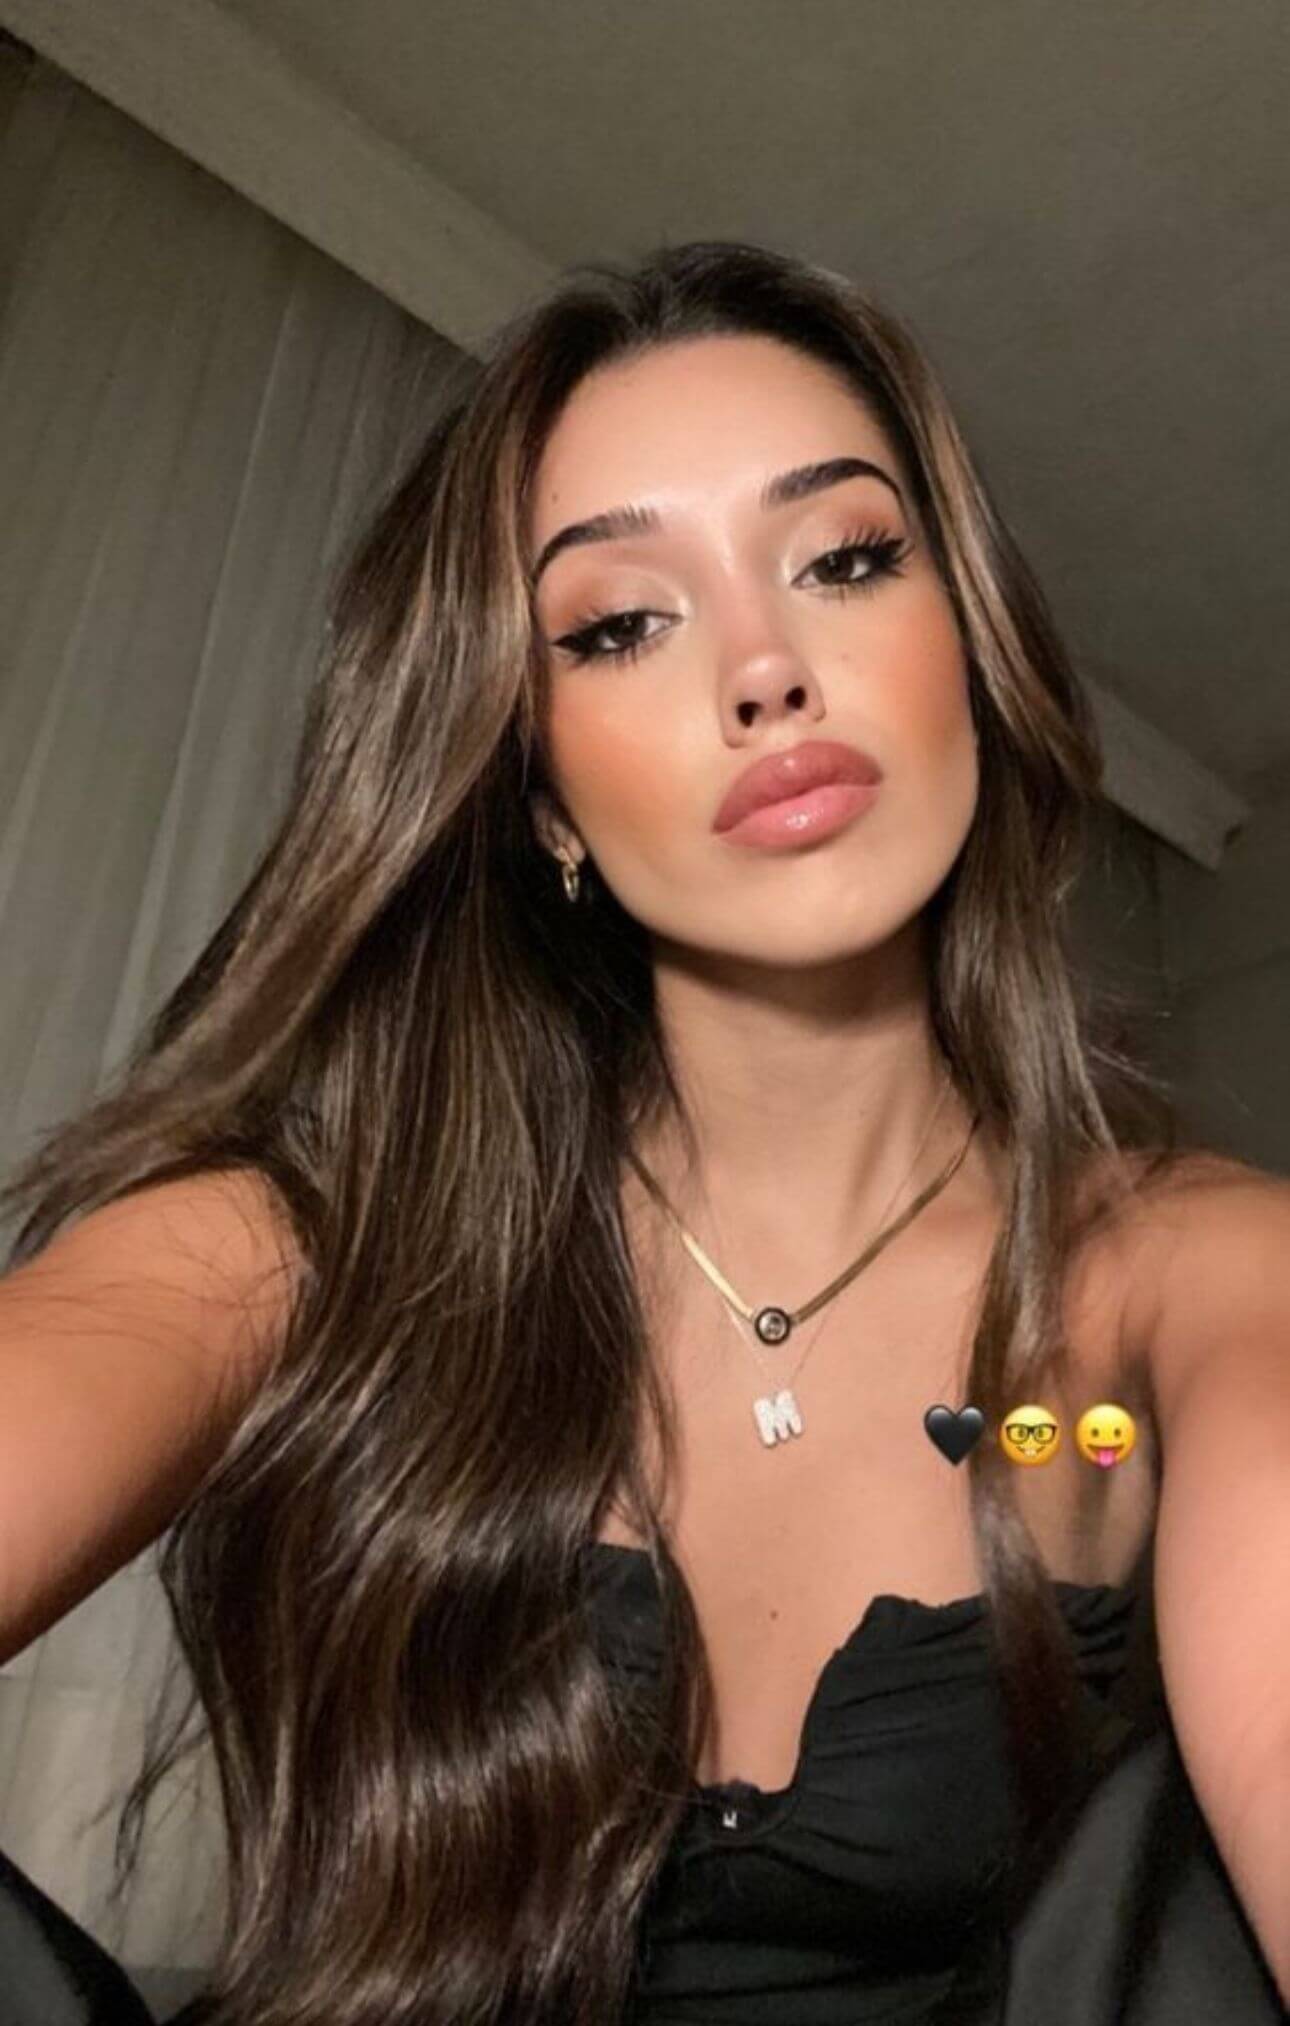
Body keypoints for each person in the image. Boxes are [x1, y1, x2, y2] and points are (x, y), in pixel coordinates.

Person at [0, 241, 1285, 2026]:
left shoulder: (1184, 1268)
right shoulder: (304, 1251)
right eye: (619, 624)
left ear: (970, 652)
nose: (765, 669)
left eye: (844, 559)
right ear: (539, 795)